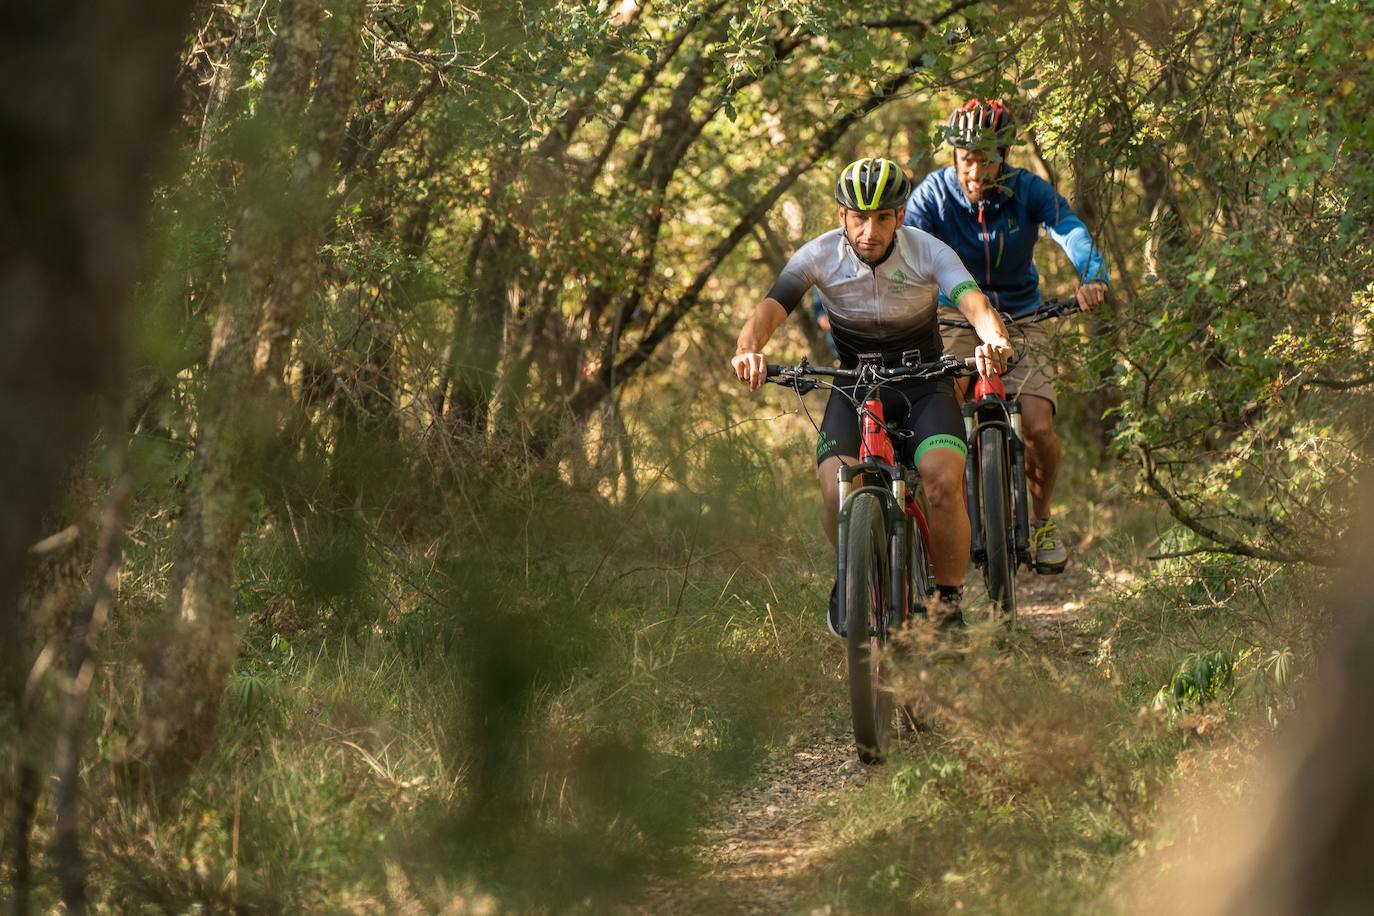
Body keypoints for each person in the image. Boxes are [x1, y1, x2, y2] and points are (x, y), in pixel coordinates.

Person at [731, 157, 1014, 636]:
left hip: (924, 382)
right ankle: (853, 574)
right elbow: (769, 309)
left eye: (883, 217)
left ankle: (948, 602)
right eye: (859, 217)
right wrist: (747, 351)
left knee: (943, 484)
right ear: (841, 215)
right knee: (833, 491)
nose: (870, 230)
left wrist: (993, 340)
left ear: (900, 216)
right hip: (855, 384)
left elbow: (974, 303)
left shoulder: (928, 251)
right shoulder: (818, 256)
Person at [905, 98, 1110, 573]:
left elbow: (1068, 228)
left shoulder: (1026, 191)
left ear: (1005, 155)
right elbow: (909, 248)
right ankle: (947, 511)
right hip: (954, 320)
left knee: (1038, 425)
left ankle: (1040, 522)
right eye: (966, 158)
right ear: (954, 156)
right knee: (943, 416)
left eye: (987, 157)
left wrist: (1092, 275)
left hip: (1023, 317)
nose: (975, 169)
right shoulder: (932, 197)